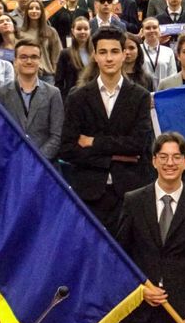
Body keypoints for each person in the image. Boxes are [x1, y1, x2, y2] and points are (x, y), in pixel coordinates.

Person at [114, 132, 185, 323]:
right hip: (139, 314)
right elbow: (121, 258)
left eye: (176, 157)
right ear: (154, 160)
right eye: (164, 156)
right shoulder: (133, 201)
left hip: (181, 318)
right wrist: (138, 292)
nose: (170, 163)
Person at [60, 27, 153, 228]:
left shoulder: (140, 96)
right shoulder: (77, 97)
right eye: (102, 52)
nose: (109, 58)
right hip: (88, 193)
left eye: (114, 52)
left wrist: (94, 142)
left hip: (131, 192)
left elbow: (138, 145)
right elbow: (68, 149)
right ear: (94, 56)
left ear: (123, 54)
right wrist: (115, 155)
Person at [0, 38, 63, 160]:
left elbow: (57, 135)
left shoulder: (53, 93)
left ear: (40, 61)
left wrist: (36, 160)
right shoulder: (0, 94)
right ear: (15, 61)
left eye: (34, 57)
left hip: (44, 167)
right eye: (23, 57)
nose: (29, 61)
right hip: (10, 164)